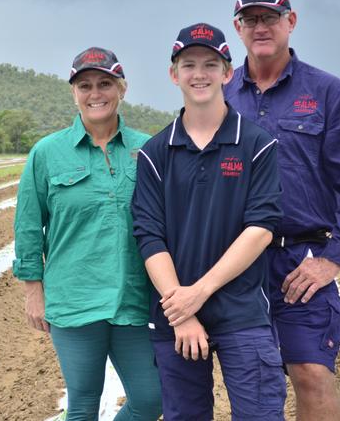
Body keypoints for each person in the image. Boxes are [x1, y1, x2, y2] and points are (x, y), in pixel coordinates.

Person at [224, 0, 340, 420]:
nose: (260, 27)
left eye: (270, 17)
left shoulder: (327, 92)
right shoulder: (220, 95)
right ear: (237, 28)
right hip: (237, 261)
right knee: (252, 379)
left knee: (312, 374)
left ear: (290, 22)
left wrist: (333, 258)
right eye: (250, 19)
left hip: (300, 258)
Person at [132, 23, 286, 420]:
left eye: (210, 64)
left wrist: (197, 294)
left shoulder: (257, 144)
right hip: (175, 316)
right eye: (188, 65)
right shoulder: (155, 152)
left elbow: (261, 229)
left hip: (242, 312)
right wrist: (181, 310)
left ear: (227, 72)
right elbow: (150, 237)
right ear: (174, 74)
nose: (199, 74)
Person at [13, 47, 162, 421]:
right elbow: (29, 225)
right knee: (81, 405)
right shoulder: (47, 153)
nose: (96, 93)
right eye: (85, 85)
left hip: (134, 298)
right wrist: (34, 290)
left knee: (151, 398)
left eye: (105, 84)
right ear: (74, 93)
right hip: (74, 299)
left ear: (121, 89)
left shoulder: (148, 149)